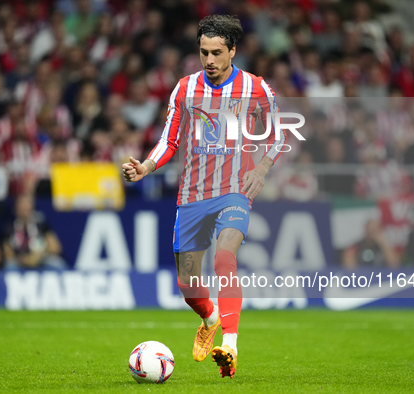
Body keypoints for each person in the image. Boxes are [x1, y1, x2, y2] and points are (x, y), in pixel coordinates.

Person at [122, 15, 285, 379]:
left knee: (225, 258)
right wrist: (147, 167)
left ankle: (231, 345)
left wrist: (260, 169)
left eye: (216, 53)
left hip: (234, 192)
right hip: (193, 195)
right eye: (203, 52)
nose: (209, 60)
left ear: (232, 52)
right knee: (188, 286)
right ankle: (209, 317)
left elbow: (278, 133)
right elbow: (170, 139)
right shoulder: (184, 89)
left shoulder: (256, 88)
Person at [2, 194, 66, 270]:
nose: (25, 210)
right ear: (15, 209)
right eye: (22, 206)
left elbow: (55, 248)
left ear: (32, 208)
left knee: (57, 263)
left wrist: (38, 255)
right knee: (10, 266)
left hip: (40, 259)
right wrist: (24, 260)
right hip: (19, 261)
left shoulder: (41, 225)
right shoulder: (9, 228)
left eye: (27, 206)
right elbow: (8, 254)